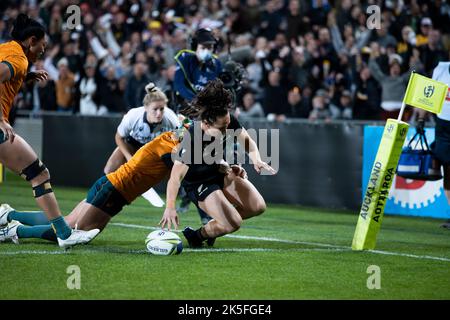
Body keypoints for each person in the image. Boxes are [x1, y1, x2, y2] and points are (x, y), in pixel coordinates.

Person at [0, 14, 99, 248]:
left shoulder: (7, 50)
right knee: (39, 174)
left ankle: (8, 220)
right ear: (31, 40)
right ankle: (65, 235)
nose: (44, 50)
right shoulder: (18, 60)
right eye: (43, 44)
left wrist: (26, 76)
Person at [0, 130, 180, 243]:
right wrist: (170, 206)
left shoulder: (174, 135)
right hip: (115, 189)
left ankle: (9, 214)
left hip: (110, 184)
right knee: (73, 233)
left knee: (67, 222)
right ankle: (15, 230)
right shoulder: (174, 144)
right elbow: (176, 176)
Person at [159, 79, 276, 248]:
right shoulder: (193, 138)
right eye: (221, 128)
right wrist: (170, 207)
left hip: (219, 172)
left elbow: (247, 141)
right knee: (233, 223)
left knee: (257, 206)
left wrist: (256, 159)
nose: (226, 130)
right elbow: (176, 177)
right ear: (206, 124)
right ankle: (197, 236)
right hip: (199, 183)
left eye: (227, 125)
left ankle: (215, 226)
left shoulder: (227, 120)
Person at [173, 28, 222, 215]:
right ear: (196, 46)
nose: (207, 50)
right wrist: (197, 102)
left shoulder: (216, 64)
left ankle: (202, 205)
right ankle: (185, 192)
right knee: (183, 157)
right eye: (204, 46)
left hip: (207, 118)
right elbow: (179, 85)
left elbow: (221, 88)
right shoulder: (185, 58)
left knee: (206, 159)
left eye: (210, 46)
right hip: (185, 114)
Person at [103, 83, 180, 174]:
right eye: (155, 109)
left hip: (158, 149)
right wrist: (129, 157)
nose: (159, 113)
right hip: (134, 144)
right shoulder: (133, 115)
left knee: (176, 169)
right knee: (109, 169)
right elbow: (118, 137)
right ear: (146, 108)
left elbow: (181, 137)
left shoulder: (170, 117)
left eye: (162, 109)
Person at [429, 61, 450, 229]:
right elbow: (427, 95)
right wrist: (421, 119)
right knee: (448, 172)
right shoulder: (441, 69)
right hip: (443, 126)